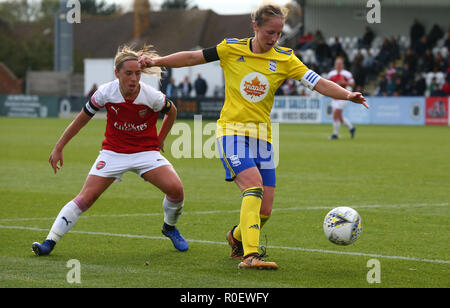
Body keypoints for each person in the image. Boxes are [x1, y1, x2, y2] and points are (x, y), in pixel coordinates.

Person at [139, 2, 368, 270]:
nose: (274, 39)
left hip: (264, 138)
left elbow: (317, 82)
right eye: (270, 32)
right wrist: (156, 62)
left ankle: (235, 237)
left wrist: (347, 94)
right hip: (231, 133)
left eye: (279, 34)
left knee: (265, 211)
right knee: (253, 186)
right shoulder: (230, 48)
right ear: (255, 26)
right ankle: (250, 256)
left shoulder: (285, 58)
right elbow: (192, 58)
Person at [31, 45, 188, 256]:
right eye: (128, 73)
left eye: (138, 73)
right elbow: (81, 120)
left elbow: (172, 112)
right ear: (117, 74)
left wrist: (160, 139)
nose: (134, 79)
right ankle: (49, 242)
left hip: (145, 152)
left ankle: (169, 227)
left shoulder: (152, 96)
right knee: (85, 198)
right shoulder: (105, 92)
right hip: (113, 153)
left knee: (176, 191)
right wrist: (59, 147)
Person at [328, 57, 357, 140]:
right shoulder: (331, 74)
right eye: (337, 64)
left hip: (343, 97)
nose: (338, 65)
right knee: (340, 117)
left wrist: (345, 82)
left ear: (342, 65)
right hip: (334, 97)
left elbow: (352, 84)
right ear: (335, 65)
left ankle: (335, 134)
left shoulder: (347, 74)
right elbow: (328, 84)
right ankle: (351, 128)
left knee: (335, 115)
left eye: (340, 64)